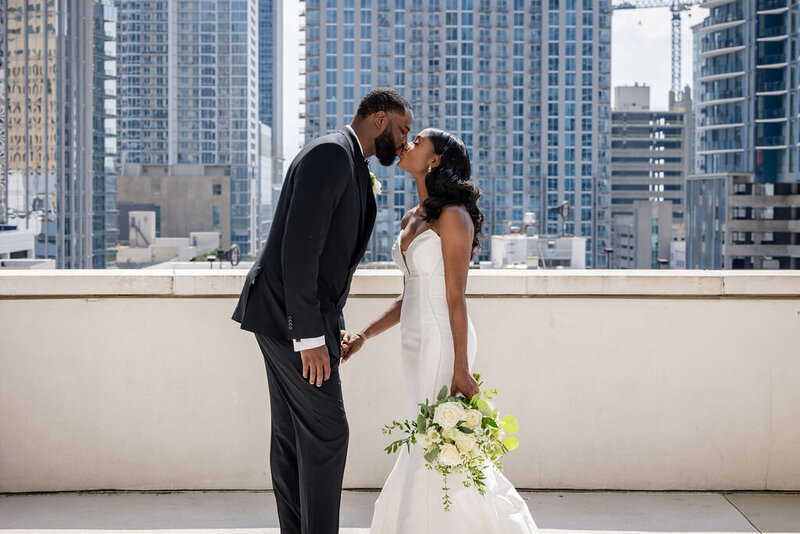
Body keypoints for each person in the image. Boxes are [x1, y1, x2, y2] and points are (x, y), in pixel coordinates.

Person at [231, 88, 413, 534]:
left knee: (294, 436)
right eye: (403, 128)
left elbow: (331, 263)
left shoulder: (350, 161)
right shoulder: (331, 154)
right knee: (329, 433)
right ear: (378, 119)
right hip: (286, 319)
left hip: (291, 317)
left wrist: (336, 330)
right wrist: (310, 338)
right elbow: (299, 251)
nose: (405, 140)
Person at [341, 128, 538, 533]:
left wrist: (461, 367)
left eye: (418, 141)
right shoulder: (412, 217)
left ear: (433, 161)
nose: (407, 144)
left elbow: (455, 297)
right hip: (414, 341)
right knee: (424, 431)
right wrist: (363, 335)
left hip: (444, 341)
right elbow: (408, 296)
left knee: (439, 436)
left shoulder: (454, 217)